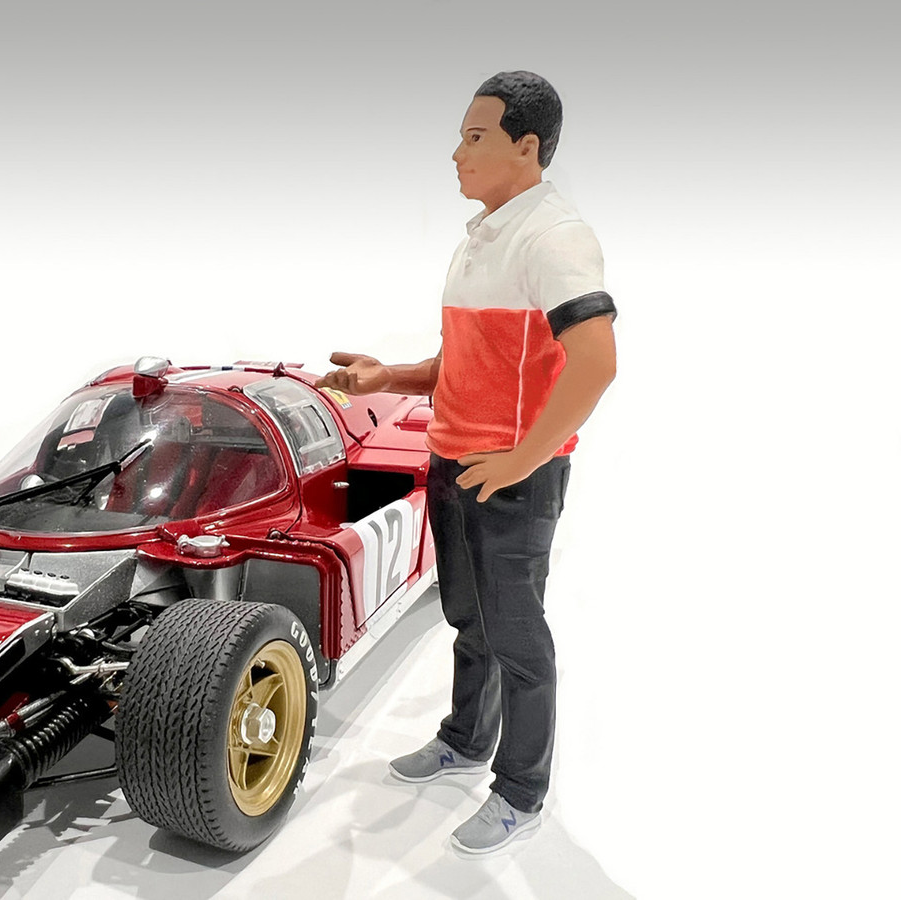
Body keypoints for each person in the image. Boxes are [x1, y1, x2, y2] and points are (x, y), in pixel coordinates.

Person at [315, 70, 617, 855]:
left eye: (475, 137)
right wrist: (388, 377)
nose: (457, 153)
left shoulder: (554, 238)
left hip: (511, 477)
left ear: (527, 147)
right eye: (460, 136)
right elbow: (463, 362)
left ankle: (521, 790)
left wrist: (523, 460)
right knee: (468, 620)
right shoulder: (484, 237)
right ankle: (464, 740)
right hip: (453, 461)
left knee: (518, 636)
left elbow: (596, 361)